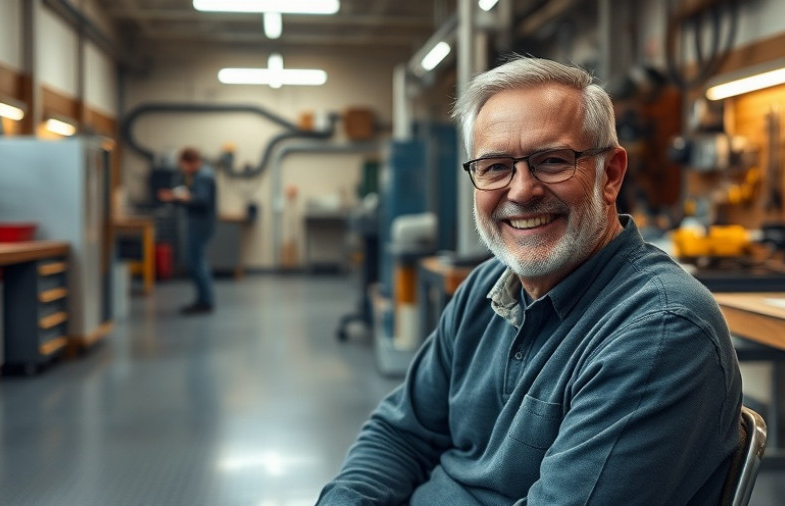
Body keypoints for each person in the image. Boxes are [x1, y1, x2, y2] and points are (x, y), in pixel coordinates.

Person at [317, 56, 742, 505]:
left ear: (610, 175)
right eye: (495, 167)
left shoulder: (658, 331)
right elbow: (400, 433)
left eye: (552, 161)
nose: (521, 191)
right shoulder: (484, 290)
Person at [158, 147, 217, 315]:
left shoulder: (204, 176)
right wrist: (176, 197)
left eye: (184, 165)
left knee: (196, 262)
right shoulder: (200, 175)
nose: (183, 169)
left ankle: (205, 301)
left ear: (190, 162)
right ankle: (203, 299)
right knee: (196, 261)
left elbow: (201, 200)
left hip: (201, 223)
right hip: (199, 222)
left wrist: (178, 197)